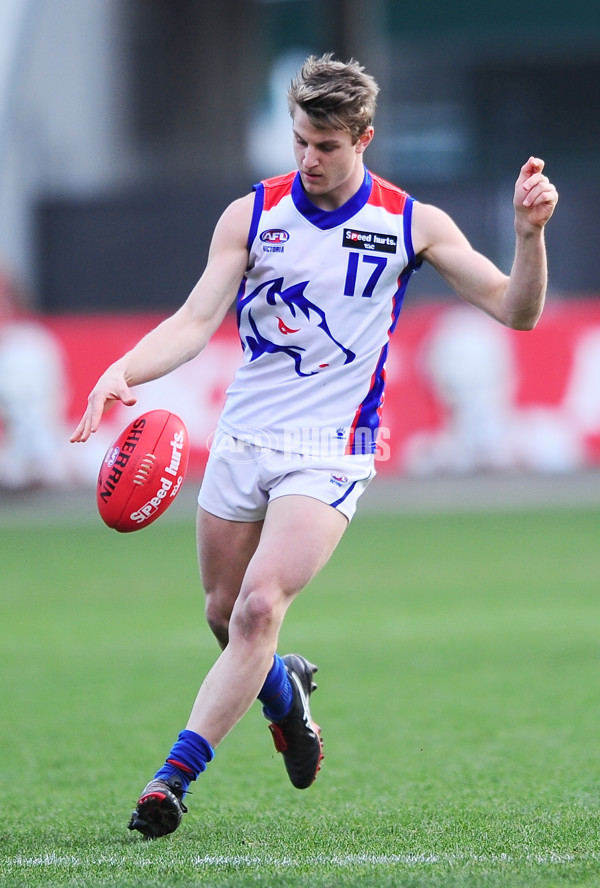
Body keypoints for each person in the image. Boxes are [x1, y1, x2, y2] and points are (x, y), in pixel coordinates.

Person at [70, 54, 558, 838]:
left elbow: (518, 310)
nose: (307, 158)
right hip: (244, 436)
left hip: (332, 446)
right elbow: (197, 321)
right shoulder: (252, 214)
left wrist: (529, 235)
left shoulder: (410, 223)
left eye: (326, 145)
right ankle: (285, 699)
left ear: (363, 138)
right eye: (299, 140)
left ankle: (170, 782)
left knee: (262, 608)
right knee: (226, 617)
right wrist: (122, 371)